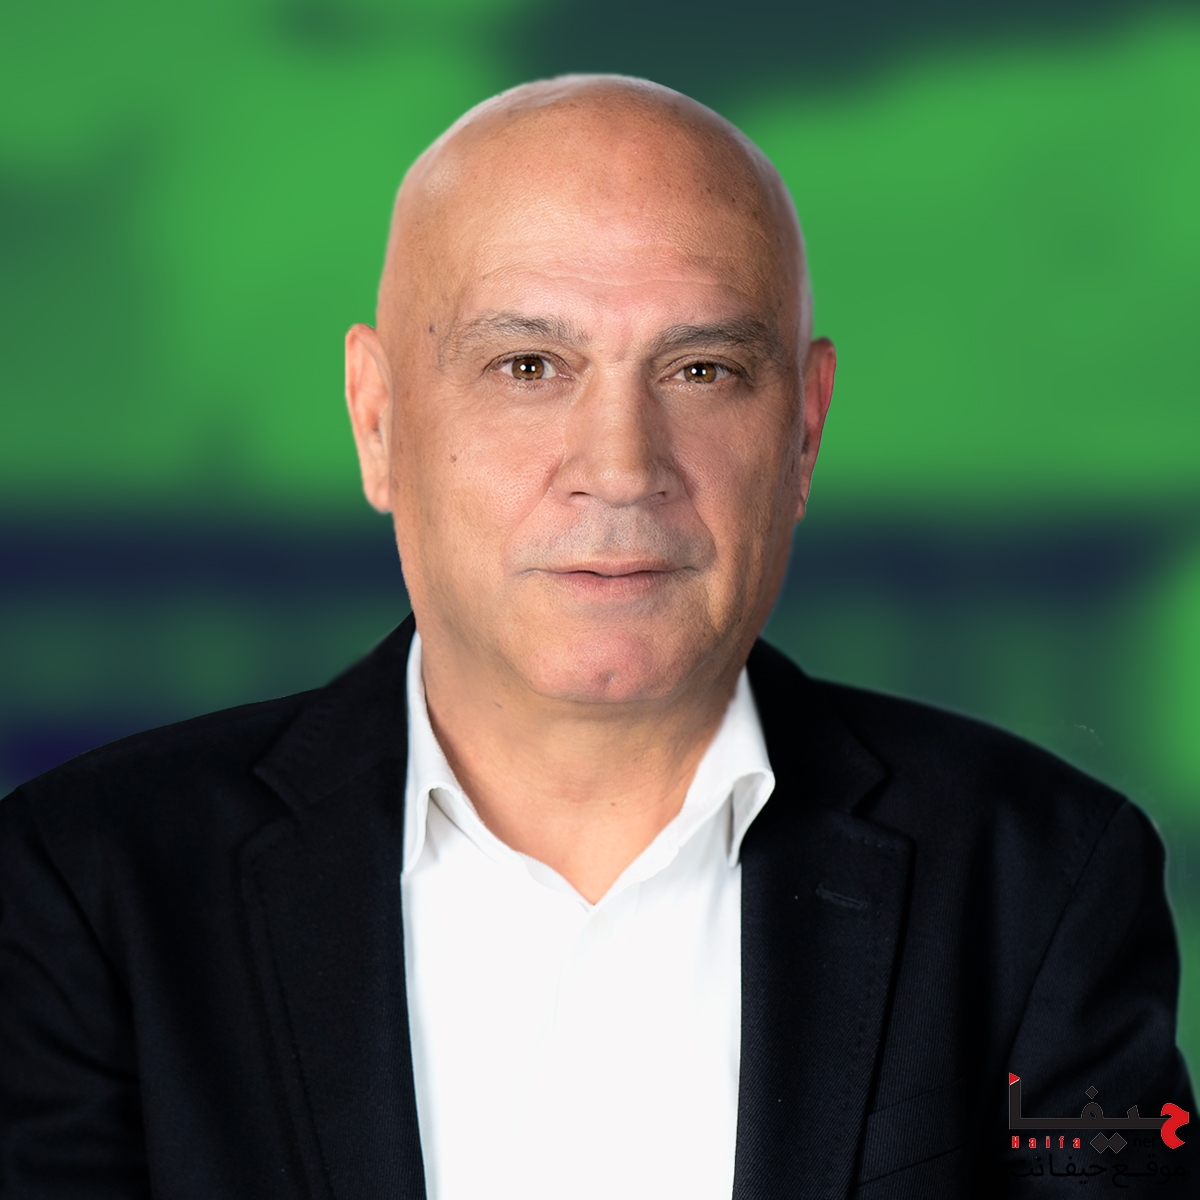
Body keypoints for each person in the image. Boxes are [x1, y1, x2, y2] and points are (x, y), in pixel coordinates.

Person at [0, 75, 1191, 1200]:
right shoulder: (81, 890)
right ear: (377, 419)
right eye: (528, 365)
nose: (621, 467)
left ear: (805, 431)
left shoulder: (1045, 882)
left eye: (702, 369)